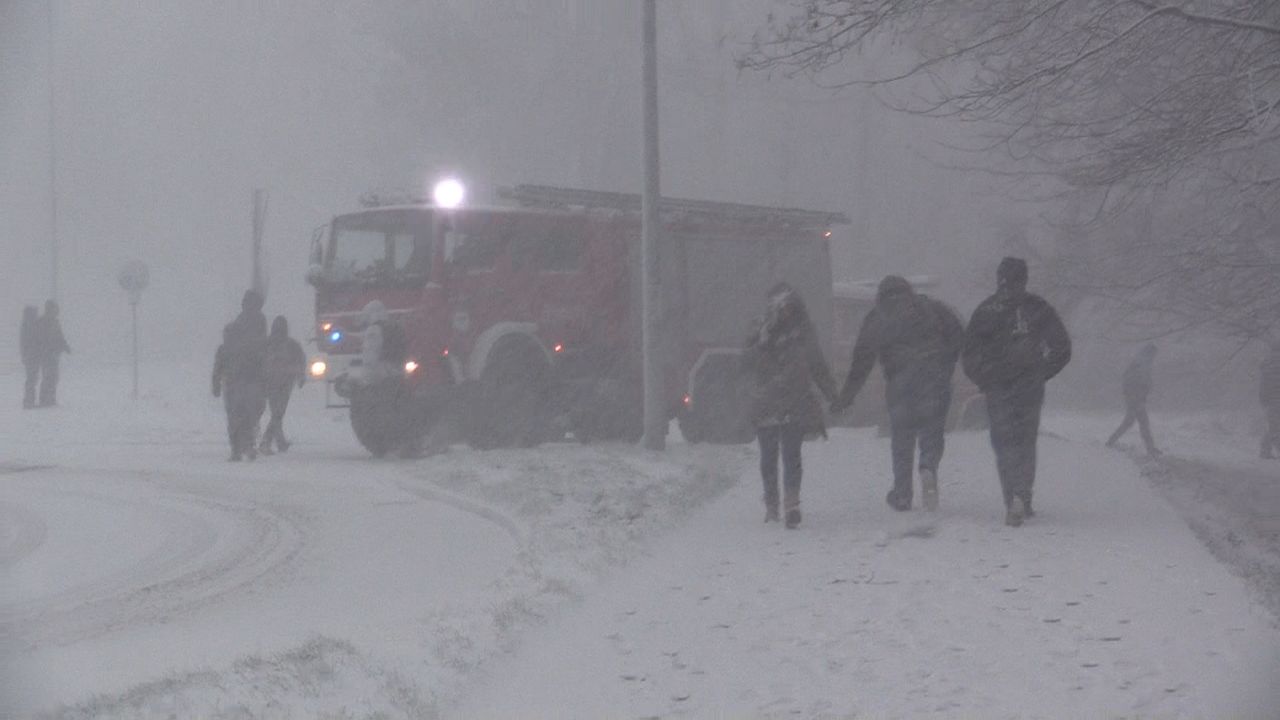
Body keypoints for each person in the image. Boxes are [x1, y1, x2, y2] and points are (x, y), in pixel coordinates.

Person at [830, 276, 964, 512]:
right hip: (934, 378)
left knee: (902, 438)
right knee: (932, 431)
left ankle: (902, 493)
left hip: (900, 382)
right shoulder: (931, 307)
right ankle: (928, 466)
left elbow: (862, 362)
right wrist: (945, 366)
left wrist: (846, 397)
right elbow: (959, 337)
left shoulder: (878, 316)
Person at [962, 257, 1071, 527]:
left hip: (998, 386)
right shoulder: (1038, 308)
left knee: (1003, 442)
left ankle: (1011, 495)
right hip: (1029, 386)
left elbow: (969, 354)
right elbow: (1062, 348)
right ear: (1025, 278)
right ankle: (1023, 494)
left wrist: (985, 379)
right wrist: (1042, 372)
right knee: (1025, 441)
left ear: (998, 278)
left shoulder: (986, 310)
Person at [742, 283, 838, 529]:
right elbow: (817, 365)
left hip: (766, 402)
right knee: (791, 455)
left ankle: (773, 505)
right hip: (795, 401)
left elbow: (745, 365)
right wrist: (832, 395)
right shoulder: (803, 331)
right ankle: (791, 501)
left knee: (769, 456)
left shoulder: (760, 328)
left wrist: (760, 345)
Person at [212, 290, 268, 461]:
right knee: (244, 416)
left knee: (241, 416)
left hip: (241, 384)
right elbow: (219, 367)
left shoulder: (248, 337)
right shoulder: (244, 341)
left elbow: (218, 368)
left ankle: (241, 447)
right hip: (241, 384)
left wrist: (216, 384)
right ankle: (243, 447)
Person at [259, 315, 307, 455]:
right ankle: (266, 441)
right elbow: (300, 361)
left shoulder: (271, 343)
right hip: (279, 383)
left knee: (278, 413)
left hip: (277, 383)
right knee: (278, 413)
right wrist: (300, 376)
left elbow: (300, 361)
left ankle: (280, 442)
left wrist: (300, 376)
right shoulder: (289, 344)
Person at [1106, 343, 1160, 456]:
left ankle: (1111, 442)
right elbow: (1136, 383)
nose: (1155, 357)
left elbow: (1141, 382)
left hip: (1136, 399)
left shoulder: (1140, 364)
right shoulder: (1140, 365)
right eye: (1154, 354)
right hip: (1136, 399)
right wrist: (1138, 396)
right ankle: (1150, 449)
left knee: (1131, 423)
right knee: (1140, 423)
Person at [36, 300, 71, 407]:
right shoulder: (43, 322)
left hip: (54, 354)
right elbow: (41, 339)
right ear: (50, 309)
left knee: (54, 377)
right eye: (55, 309)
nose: (57, 311)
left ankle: (51, 398)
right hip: (46, 354)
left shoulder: (55, 322)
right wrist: (48, 349)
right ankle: (44, 400)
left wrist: (65, 346)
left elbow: (60, 336)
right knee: (48, 376)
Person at [1260, 340, 1280, 459]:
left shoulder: (1267, 364)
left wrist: (1263, 399)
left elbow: (1263, 385)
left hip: (1271, 399)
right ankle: (1266, 450)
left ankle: (1265, 450)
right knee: (1276, 426)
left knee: (1273, 425)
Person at [20, 306, 41, 409]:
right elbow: (25, 342)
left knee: (32, 379)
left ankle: (29, 400)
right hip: (31, 356)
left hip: (32, 356)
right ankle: (28, 401)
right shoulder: (29, 326)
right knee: (31, 379)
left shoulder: (29, 325)